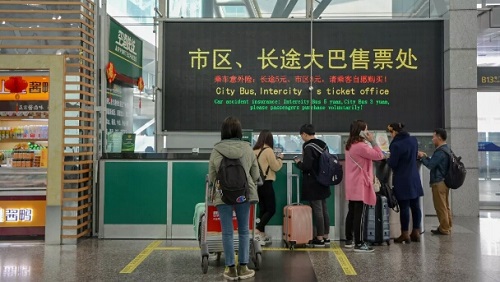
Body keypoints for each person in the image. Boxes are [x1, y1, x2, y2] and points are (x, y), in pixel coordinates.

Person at [208, 116, 260, 280]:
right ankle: (243, 267)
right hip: (243, 195)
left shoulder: (216, 150)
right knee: (244, 231)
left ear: (223, 132)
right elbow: (256, 174)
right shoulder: (247, 148)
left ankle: (230, 269)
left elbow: (212, 177)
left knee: (227, 232)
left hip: (222, 195)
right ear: (239, 131)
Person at [344, 120, 385, 252]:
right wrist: (373, 141)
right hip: (360, 184)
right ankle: (359, 243)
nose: (368, 132)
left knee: (351, 212)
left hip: (352, 183)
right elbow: (379, 156)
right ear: (360, 131)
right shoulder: (361, 146)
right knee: (359, 215)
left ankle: (349, 239)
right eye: (366, 130)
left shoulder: (350, 145)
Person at [293, 124, 331, 247]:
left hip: (313, 182)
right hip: (324, 181)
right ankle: (326, 236)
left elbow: (307, 166)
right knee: (324, 209)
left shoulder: (308, 147)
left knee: (318, 210)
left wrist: (298, 163)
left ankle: (319, 238)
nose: (301, 138)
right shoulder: (323, 144)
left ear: (304, 134)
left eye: (301, 136)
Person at [386, 122, 424, 243]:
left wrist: (387, 158)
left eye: (390, 132)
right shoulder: (413, 140)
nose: (390, 134)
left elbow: (393, 163)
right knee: (416, 206)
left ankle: (405, 234)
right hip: (414, 177)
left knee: (404, 207)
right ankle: (416, 232)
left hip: (402, 179)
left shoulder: (395, 145)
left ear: (395, 132)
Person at [418, 128, 452, 235]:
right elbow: (434, 162)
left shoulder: (441, 151)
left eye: (434, 137)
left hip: (439, 182)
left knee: (440, 207)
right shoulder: (446, 149)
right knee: (445, 206)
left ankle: (444, 228)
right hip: (444, 182)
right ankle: (447, 226)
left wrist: (422, 157)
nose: (432, 139)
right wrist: (426, 157)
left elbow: (430, 165)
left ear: (440, 137)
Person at [252, 130, 284, 246]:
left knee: (263, 209)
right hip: (266, 183)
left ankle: (260, 234)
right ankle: (257, 230)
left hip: (256, 184)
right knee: (271, 209)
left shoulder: (254, 150)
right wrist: (280, 158)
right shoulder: (268, 150)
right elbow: (275, 167)